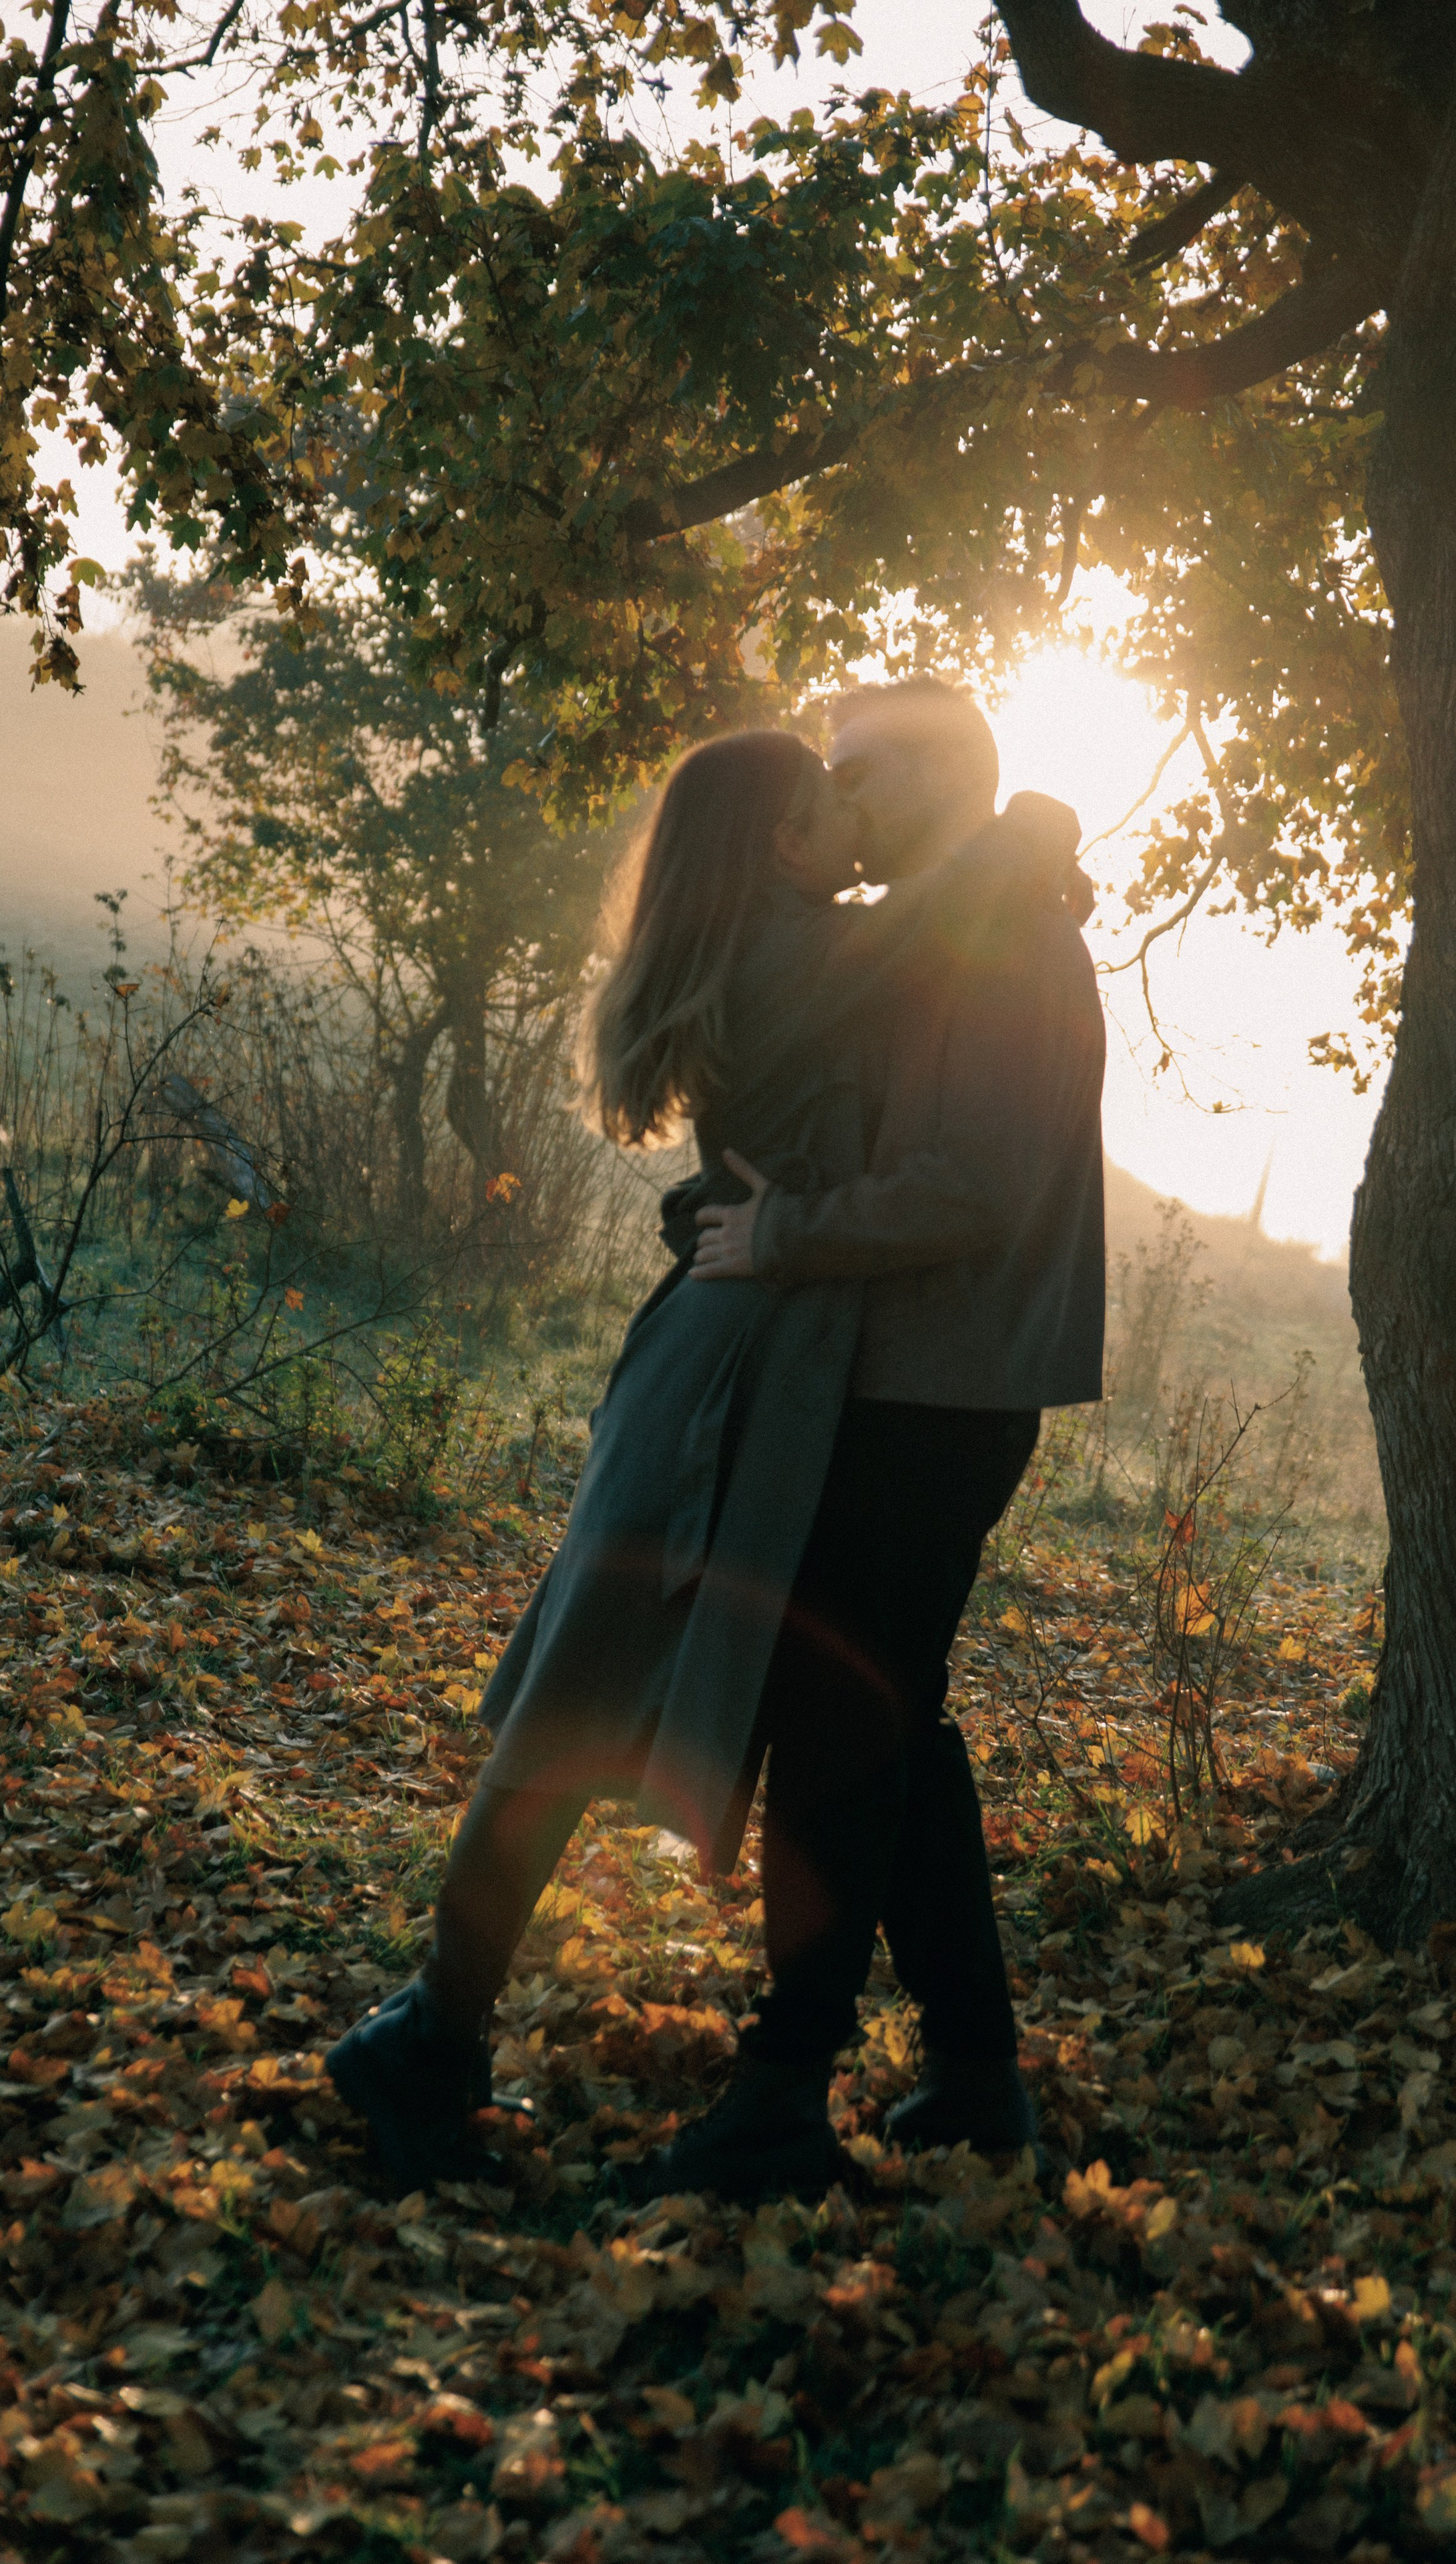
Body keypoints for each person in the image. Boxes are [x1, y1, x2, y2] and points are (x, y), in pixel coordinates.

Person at [324, 724, 1087, 2191]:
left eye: (856, 790)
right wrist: (1020, 836)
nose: (846, 824)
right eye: (819, 806)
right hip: (726, 1372)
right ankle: (431, 2032)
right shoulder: (794, 956)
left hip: (746, 1359)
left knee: (711, 1703)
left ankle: (450, 2032)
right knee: (578, 1697)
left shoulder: (779, 941)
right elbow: (924, 932)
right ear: (768, 851)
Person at [646, 678, 1106, 2198]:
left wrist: (783, 1233)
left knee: (839, 1738)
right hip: (896, 1384)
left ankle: (782, 2093)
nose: (831, 801)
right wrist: (736, 1202)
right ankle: (977, 2085)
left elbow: (971, 1184)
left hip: (938, 1397)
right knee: (891, 1731)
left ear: (937, 781)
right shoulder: (936, 931)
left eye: (854, 772)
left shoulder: (1007, 938)